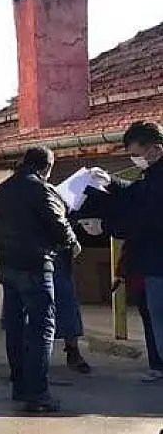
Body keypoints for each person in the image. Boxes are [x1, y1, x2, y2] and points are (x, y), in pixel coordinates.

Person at [0, 146, 81, 414]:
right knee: (42, 328)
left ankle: (19, 385)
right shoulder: (42, 189)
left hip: (7, 266)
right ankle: (38, 393)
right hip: (36, 266)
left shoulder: (2, 190)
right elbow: (58, 224)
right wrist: (73, 243)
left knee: (15, 328)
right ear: (46, 168)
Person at [88, 121, 163, 377]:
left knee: (159, 320)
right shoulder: (152, 176)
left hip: (158, 264)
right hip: (150, 265)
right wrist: (110, 181)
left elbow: (146, 218)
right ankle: (158, 366)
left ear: (155, 150)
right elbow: (135, 193)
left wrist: (105, 226)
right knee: (153, 319)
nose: (134, 159)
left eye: (136, 154)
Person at [114, 245, 163, 382]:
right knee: (152, 323)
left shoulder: (139, 230)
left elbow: (129, 251)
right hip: (144, 278)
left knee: (152, 324)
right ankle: (156, 364)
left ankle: (157, 365)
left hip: (145, 278)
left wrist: (120, 274)